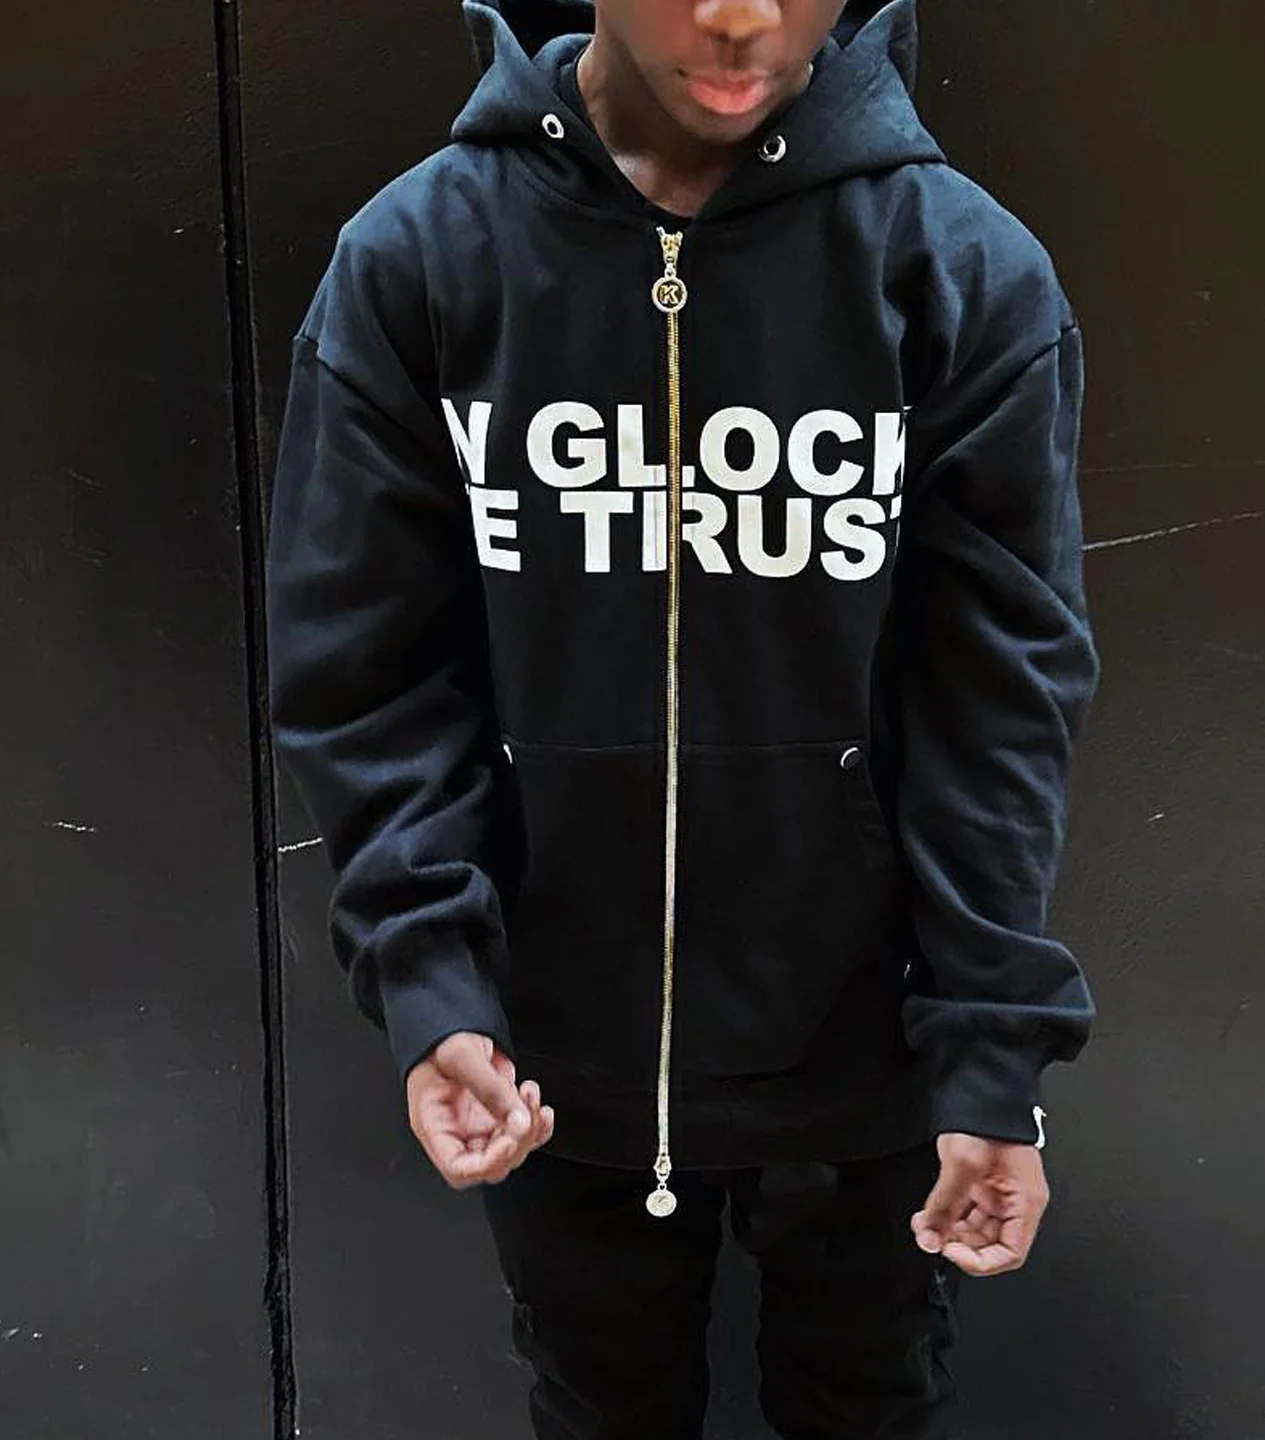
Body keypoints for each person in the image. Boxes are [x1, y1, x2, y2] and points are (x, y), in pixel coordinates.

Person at [266, 0, 1099, 1433]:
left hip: (870, 1065)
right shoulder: (423, 257)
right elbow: (368, 670)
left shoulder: (956, 267)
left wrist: (990, 1051)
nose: (738, 15)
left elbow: (998, 702)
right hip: (547, 1065)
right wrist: (434, 982)